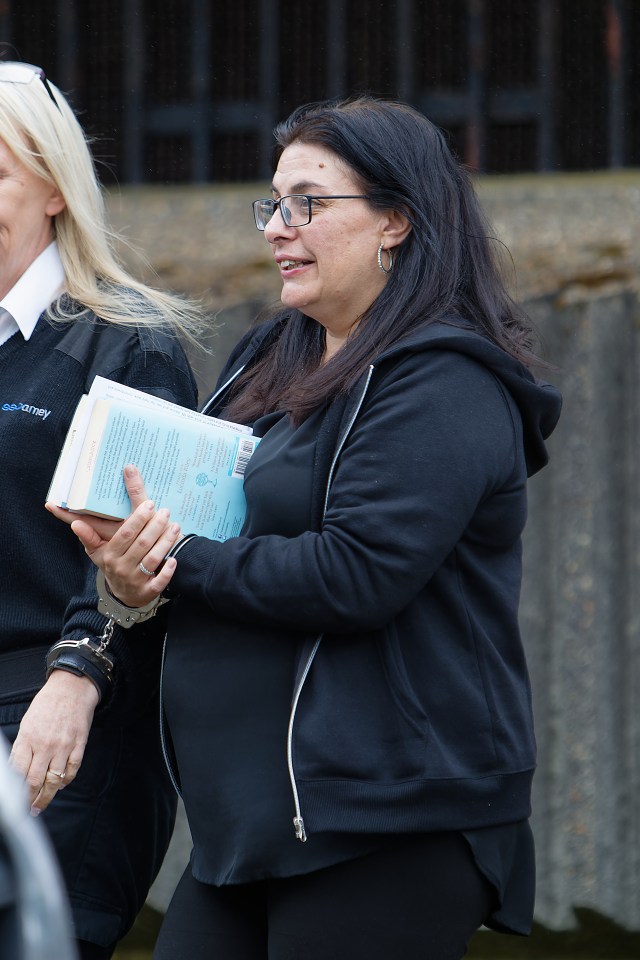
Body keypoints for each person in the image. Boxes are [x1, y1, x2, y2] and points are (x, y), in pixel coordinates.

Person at [48, 95, 562, 960]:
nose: (279, 227)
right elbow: (209, 533)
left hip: (386, 822)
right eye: (274, 203)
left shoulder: (446, 381)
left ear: (396, 220)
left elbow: (356, 575)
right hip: (249, 825)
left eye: (310, 204)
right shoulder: (273, 352)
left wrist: (175, 559)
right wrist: (128, 572)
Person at [0, 61, 203, 959]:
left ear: (51, 182)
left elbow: (151, 555)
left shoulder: (125, 345)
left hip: (54, 726)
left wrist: (74, 678)